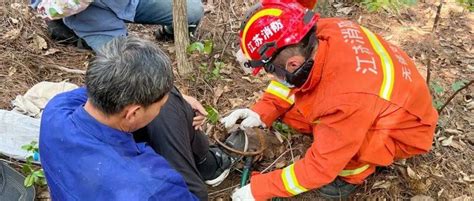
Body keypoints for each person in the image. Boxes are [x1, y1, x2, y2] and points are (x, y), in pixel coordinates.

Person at [223, 0, 438, 200]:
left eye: (270, 71)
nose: (270, 77)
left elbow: (319, 168)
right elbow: (287, 82)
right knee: (295, 114)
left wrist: (258, 189)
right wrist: (263, 110)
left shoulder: (345, 100)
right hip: (384, 95)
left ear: (293, 65)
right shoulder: (315, 32)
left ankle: (352, 173)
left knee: (344, 152)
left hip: (405, 128)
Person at [39, 36, 233, 201]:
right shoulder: (154, 186)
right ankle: (208, 164)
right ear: (133, 113)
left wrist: (176, 98)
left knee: (172, 98)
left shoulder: (56, 110)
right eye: (160, 105)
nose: (163, 107)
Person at [30, 0, 204, 51]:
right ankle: (74, 35)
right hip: (93, 21)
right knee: (128, 62)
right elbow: (42, 8)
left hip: (132, 3)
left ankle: (168, 33)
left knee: (193, 11)